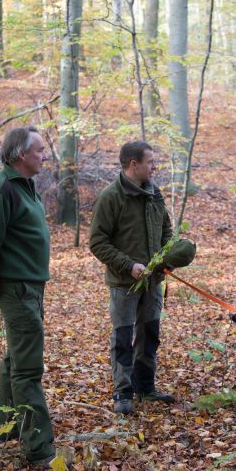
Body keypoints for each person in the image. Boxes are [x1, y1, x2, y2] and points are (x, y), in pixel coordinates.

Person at [0, 126, 55, 466]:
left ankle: (8, 429)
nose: (44, 155)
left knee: (14, 359)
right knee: (28, 368)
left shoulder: (26, 186)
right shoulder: (0, 189)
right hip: (16, 288)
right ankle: (38, 449)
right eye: (39, 150)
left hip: (31, 285)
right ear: (21, 154)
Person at [89, 141, 175, 415]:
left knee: (150, 336)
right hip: (123, 284)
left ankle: (145, 388)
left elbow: (166, 230)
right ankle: (123, 393)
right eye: (150, 161)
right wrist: (129, 266)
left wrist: (166, 258)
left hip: (153, 283)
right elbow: (97, 242)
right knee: (123, 338)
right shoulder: (111, 197)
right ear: (133, 164)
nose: (155, 166)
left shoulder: (154, 194)